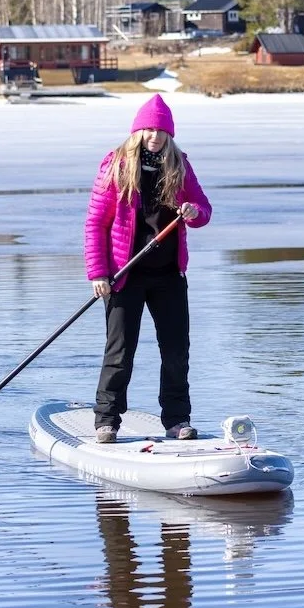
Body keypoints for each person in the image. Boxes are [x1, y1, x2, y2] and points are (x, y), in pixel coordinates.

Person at [84, 94, 212, 443]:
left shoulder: (179, 164)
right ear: (138, 131)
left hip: (169, 274)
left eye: (162, 130)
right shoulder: (116, 165)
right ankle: (107, 420)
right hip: (125, 275)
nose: (155, 136)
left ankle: (176, 420)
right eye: (149, 129)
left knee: (175, 350)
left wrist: (194, 212)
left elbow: (203, 208)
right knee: (120, 351)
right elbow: (96, 223)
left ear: (170, 134)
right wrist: (98, 273)